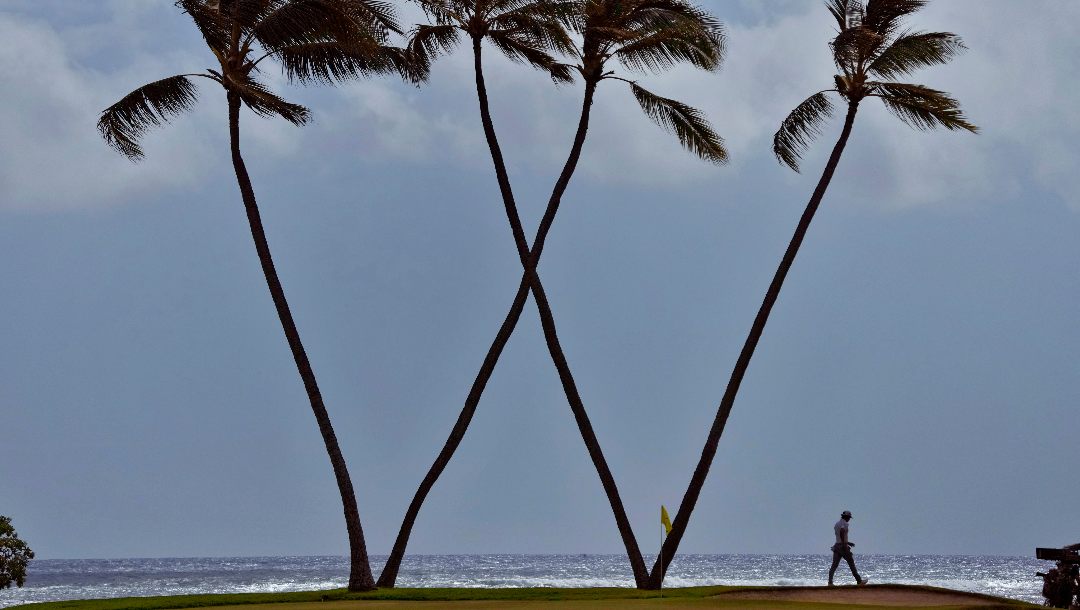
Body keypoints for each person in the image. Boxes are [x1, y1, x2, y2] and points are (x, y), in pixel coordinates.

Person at [828, 510, 868, 586]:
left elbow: (839, 536)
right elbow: (842, 532)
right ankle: (859, 581)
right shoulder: (845, 524)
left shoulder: (837, 524)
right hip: (842, 547)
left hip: (836, 546)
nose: (849, 519)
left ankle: (830, 582)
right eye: (849, 517)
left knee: (834, 565)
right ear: (846, 517)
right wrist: (844, 545)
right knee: (851, 563)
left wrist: (848, 542)